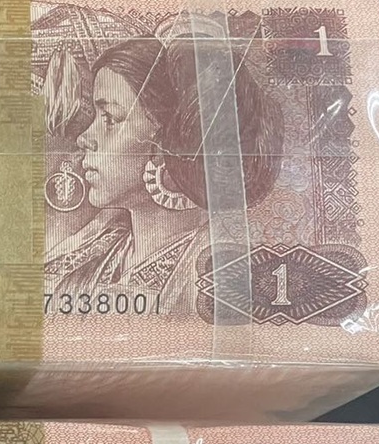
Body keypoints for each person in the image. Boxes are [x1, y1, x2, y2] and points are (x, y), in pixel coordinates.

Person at [44, 36, 284, 313]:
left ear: (166, 140)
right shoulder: (87, 263)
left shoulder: (219, 274)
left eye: (110, 119)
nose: (84, 138)